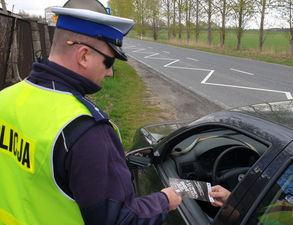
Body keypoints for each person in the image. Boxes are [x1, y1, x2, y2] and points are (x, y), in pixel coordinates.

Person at [0, 7, 181, 225]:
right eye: (109, 62)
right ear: (84, 55)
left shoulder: (6, 98)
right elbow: (120, 220)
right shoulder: (87, 132)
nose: (110, 72)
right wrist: (164, 200)